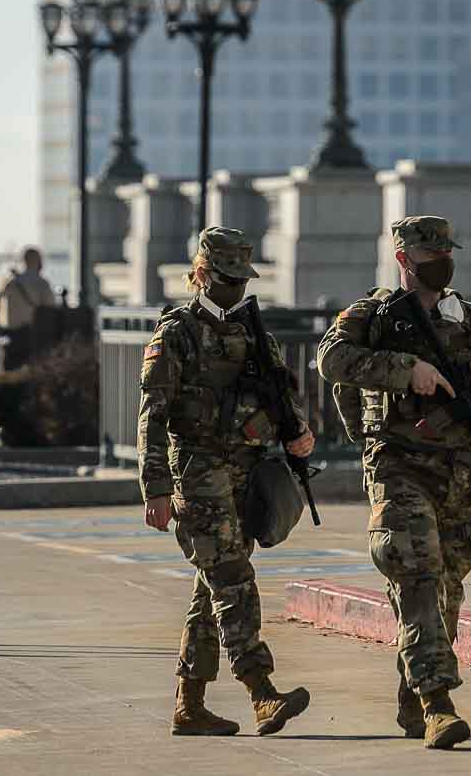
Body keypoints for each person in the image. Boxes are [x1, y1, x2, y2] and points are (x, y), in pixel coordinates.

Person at [318, 216, 471, 749]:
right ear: (404, 260)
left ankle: (413, 692)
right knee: (416, 574)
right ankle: (439, 700)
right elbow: (330, 358)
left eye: (446, 252)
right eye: (428, 255)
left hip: (462, 475)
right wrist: (405, 370)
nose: (441, 262)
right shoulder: (373, 316)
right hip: (400, 467)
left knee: (445, 592)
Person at [139, 227, 315, 738]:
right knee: (234, 582)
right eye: (225, 277)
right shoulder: (176, 333)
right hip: (197, 474)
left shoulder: (256, 334)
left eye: (241, 278)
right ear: (201, 274)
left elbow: (283, 397)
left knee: (210, 590)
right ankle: (262, 692)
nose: (234, 287)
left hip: (247, 473)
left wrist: (298, 432)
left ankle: (189, 705)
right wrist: (153, 488)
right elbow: (152, 415)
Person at [0, 248, 56, 366]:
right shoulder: (41, 283)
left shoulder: (10, 283)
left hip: (10, 336)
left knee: (11, 373)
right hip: (32, 337)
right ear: (38, 261)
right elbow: (51, 310)